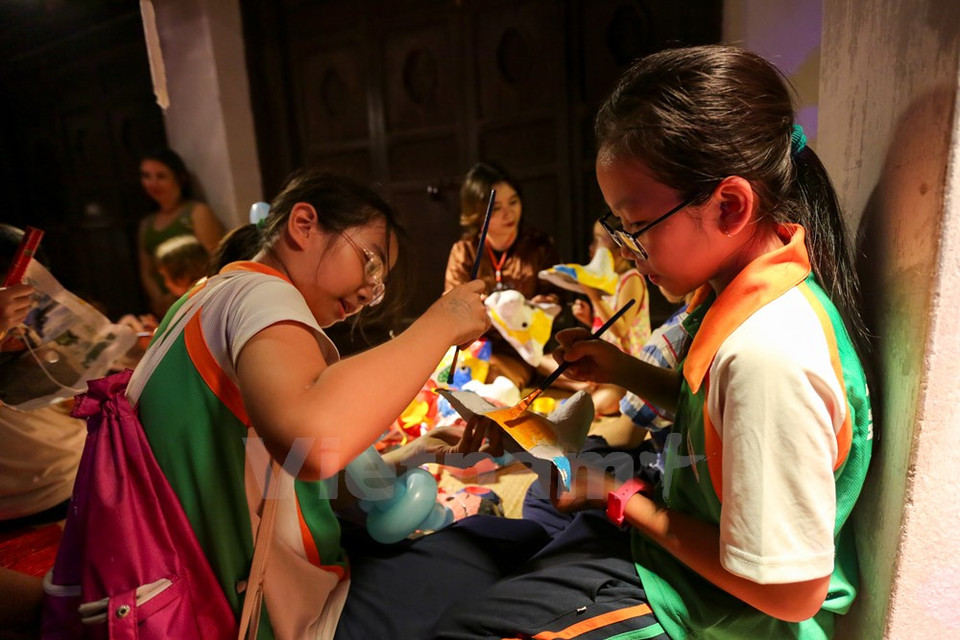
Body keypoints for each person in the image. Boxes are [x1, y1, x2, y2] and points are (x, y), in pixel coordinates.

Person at [434, 44, 873, 639]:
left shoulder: (769, 354)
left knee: (464, 628)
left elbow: (791, 593)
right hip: (686, 555)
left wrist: (622, 497)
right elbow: (720, 423)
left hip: (715, 611)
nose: (623, 250)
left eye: (633, 225)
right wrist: (623, 371)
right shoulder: (746, 297)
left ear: (730, 205)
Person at [125, 169, 548, 639]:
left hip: (240, 591)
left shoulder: (207, 297)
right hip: (268, 617)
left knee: (500, 540)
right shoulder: (258, 292)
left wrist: (418, 452)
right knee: (515, 551)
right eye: (369, 264)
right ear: (303, 225)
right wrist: (443, 320)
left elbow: (293, 485)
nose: (369, 293)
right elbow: (312, 446)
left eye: (379, 283)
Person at [444, 162, 562, 388]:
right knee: (460, 376)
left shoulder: (538, 246)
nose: (509, 213)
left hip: (524, 346)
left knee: (497, 381)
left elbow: (555, 295)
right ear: (477, 213)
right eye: (496, 208)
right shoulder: (465, 250)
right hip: (480, 345)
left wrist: (542, 305)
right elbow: (452, 303)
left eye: (513, 202)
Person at [567, 218, 652, 414]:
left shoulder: (631, 280)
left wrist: (594, 296)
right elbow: (608, 330)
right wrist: (589, 319)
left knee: (597, 404)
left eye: (598, 240)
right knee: (546, 362)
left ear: (618, 247)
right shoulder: (607, 282)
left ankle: (591, 390)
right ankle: (585, 386)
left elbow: (621, 328)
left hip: (626, 369)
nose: (591, 247)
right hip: (603, 364)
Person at [137, 147, 224, 316]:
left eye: (161, 176)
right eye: (146, 176)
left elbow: (214, 259)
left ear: (179, 178)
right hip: (167, 309)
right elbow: (147, 271)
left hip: (198, 301)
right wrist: (161, 299)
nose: (152, 183)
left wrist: (185, 295)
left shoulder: (197, 212)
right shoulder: (146, 224)